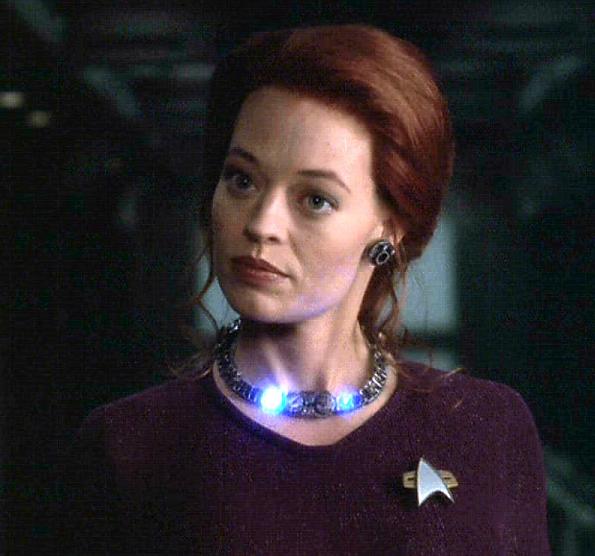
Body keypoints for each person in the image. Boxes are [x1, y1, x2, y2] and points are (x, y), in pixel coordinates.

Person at [59, 24, 550, 554]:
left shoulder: (485, 428)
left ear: (389, 227)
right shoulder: (128, 444)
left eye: (315, 199)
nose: (261, 224)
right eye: (242, 179)